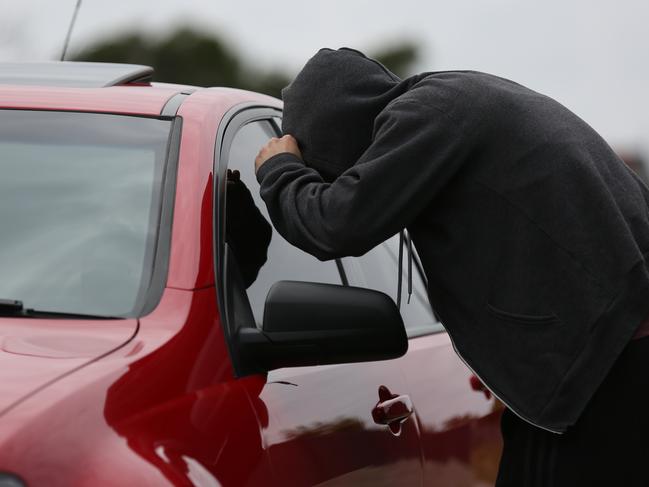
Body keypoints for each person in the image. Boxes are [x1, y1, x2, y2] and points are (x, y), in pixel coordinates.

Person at [253, 47, 649, 485]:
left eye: (330, 170)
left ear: (332, 131)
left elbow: (334, 226)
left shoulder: (428, 115)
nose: (347, 175)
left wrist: (280, 170)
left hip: (601, 366)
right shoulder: (453, 98)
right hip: (604, 352)